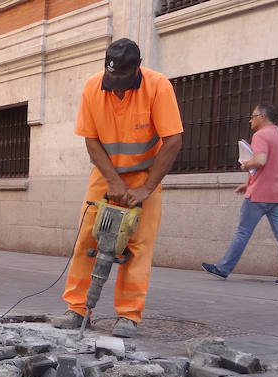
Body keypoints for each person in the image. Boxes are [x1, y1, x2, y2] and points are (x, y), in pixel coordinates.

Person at [51, 38, 183, 338]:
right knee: (88, 239)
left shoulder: (158, 86)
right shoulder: (93, 87)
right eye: (113, 81)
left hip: (145, 177)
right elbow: (91, 140)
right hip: (106, 174)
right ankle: (77, 308)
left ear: (138, 67)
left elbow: (173, 139)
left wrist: (147, 188)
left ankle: (128, 315)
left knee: (137, 246)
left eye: (123, 81)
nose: (117, 88)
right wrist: (112, 181)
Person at [201, 104, 278, 287]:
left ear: (262, 117)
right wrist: (247, 184)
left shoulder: (261, 135)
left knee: (242, 232)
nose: (250, 120)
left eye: (253, 116)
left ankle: (223, 269)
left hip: (260, 194)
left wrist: (246, 165)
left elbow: (261, 161)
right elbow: (273, 167)